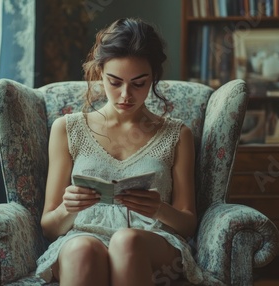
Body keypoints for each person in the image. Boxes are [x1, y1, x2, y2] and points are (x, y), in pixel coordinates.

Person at [36, 18, 205, 285]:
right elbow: (49, 227)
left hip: (152, 242)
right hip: (82, 238)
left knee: (126, 241)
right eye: (115, 82)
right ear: (99, 74)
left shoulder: (176, 134)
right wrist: (69, 208)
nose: (126, 95)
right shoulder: (67, 129)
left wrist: (159, 208)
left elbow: (187, 224)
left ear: (153, 78)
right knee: (82, 249)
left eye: (139, 83)